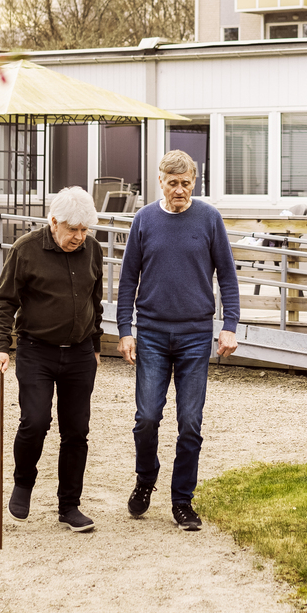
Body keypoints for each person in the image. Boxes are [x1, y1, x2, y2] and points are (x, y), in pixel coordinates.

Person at [115, 149, 239, 531]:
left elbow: (227, 275)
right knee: (147, 418)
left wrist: (230, 324)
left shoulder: (209, 218)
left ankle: (182, 500)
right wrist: (125, 330)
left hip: (195, 336)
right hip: (151, 334)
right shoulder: (143, 220)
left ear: (194, 182)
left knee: (190, 423)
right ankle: (145, 479)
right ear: (161, 182)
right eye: (173, 183)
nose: (180, 190)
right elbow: (128, 279)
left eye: (186, 183)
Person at [0, 186, 105, 533]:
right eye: (73, 229)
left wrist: (95, 345)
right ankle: (23, 482)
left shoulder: (92, 250)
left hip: (80, 353)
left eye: (84, 230)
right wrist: (0, 346)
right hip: (37, 350)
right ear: (54, 222)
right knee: (35, 421)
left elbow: (94, 300)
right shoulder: (25, 249)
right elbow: (4, 301)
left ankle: (69, 506)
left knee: (77, 430)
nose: (79, 237)